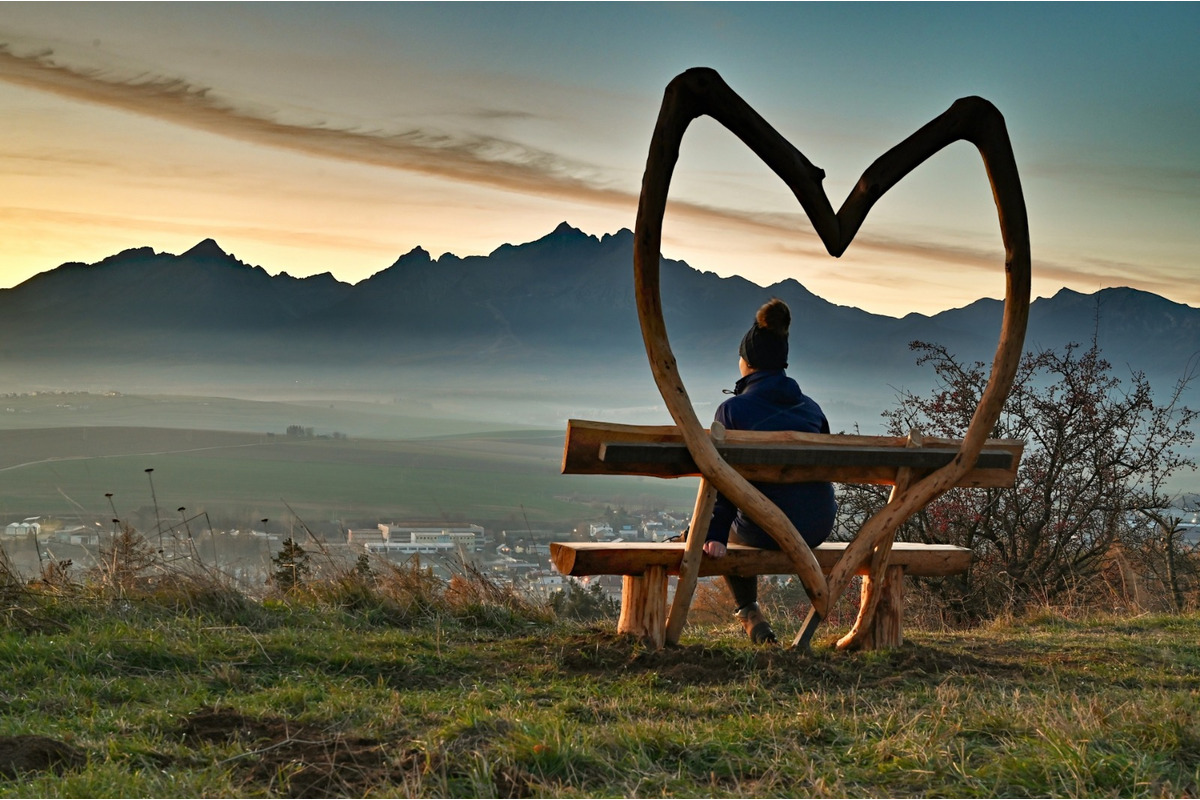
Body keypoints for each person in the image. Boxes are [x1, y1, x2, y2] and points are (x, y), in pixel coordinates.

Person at [703, 297, 837, 644]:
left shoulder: (732, 411)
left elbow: (723, 481)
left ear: (747, 363)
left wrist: (714, 533)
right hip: (815, 526)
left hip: (766, 530)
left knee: (722, 528)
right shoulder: (813, 409)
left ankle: (748, 611)